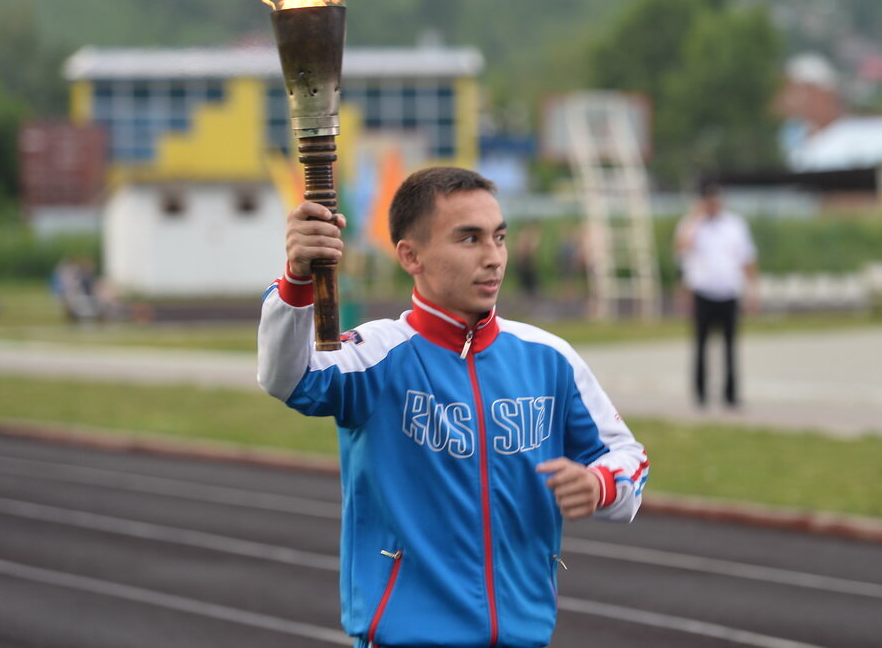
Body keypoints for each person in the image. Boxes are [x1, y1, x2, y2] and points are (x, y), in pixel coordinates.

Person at [258, 166, 648, 648]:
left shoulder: (550, 358)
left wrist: (599, 483)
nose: (494, 258)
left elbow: (628, 458)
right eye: (469, 239)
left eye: (499, 237)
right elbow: (286, 376)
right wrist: (296, 279)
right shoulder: (377, 354)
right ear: (410, 255)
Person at [674, 180, 759, 409]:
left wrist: (752, 290)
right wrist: (695, 218)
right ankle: (700, 394)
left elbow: (747, 258)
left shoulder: (734, 225)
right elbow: (682, 250)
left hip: (729, 291)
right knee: (700, 345)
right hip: (702, 292)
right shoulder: (691, 225)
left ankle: (730, 394)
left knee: (730, 346)